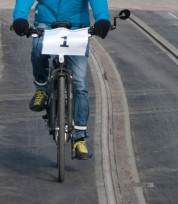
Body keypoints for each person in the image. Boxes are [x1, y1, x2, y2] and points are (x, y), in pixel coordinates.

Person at [12, 0, 111, 160]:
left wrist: (102, 19)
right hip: (47, 23)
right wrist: (19, 18)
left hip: (76, 28)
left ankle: (79, 138)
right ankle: (42, 89)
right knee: (38, 51)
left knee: (79, 83)